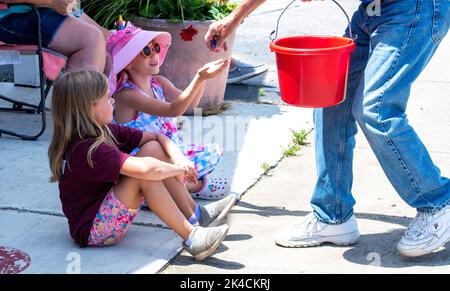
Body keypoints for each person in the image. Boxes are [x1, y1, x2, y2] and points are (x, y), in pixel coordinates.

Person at [206, 0, 450, 257]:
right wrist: (233, 20)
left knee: (376, 109)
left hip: (414, 9)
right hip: (372, 12)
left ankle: (439, 203)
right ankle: (333, 216)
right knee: (330, 99)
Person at [47, 70, 237, 261]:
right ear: (89, 108)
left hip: (105, 209)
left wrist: (179, 158)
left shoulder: (105, 130)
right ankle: (192, 237)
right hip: (94, 230)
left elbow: (156, 136)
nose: (113, 100)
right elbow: (146, 169)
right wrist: (178, 169)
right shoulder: (87, 150)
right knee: (143, 176)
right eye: (107, 97)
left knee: (153, 148)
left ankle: (196, 214)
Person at [107, 24, 232, 200]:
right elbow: (174, 110)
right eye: (145, 51)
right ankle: (196, 186)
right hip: (144, 159)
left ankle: (163, 192)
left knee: (211, 153)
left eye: (156, 47)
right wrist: (199, 77)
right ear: (127, 61)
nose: (154, 55)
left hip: (169, 150)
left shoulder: (158, 83)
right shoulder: (127, 94)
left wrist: (203, 80)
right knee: (176, 170)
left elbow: (189, 104)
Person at [0, 0, 109, 72]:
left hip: (37, 8)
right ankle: (80, 105)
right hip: (8, 17)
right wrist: (51, 2)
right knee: (91, 39)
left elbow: (74, 11)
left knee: (108, 46)